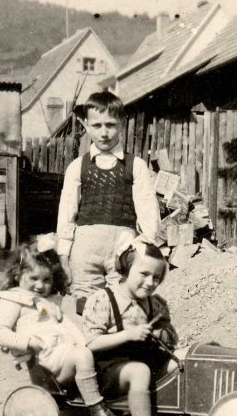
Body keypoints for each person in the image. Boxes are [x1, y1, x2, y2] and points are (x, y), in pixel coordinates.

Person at [0, 235, 127, 416]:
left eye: (46, 280)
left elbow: (61, 325)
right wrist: (27, 342)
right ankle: (97, 410)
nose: (40, 285)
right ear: (18, 274)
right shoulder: (13, 300)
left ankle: (109, 401)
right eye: (33, 279)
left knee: (98, 351)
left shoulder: (46, 301)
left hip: (59, 355)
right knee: (83, 355)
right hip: (45, 360)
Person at [82, 235, 184, 416]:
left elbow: (171, 337)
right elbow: (90, 343)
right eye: (144, 274)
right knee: (140, 372)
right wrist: (127, 334)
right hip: (110, 369)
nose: (150, 282)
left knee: (186, 359)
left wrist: (162, 334)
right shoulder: (103, 299)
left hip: (145, 359)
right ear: (126, 269)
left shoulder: (155, 302)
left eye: (157, 277)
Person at [57, 91, 160, 317]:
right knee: (83, 302)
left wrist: (142, 247)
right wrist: (63, 256)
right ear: (86, 125)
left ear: (122, 124)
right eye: (97, 125)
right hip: (84, 248)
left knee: (122, 302)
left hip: (122, 247)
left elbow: (147, 210)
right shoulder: (77, 166)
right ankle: (88, 346)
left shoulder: (136, 166)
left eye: (110, 125)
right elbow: (66, 213)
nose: (104, 133)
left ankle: (117, 347)